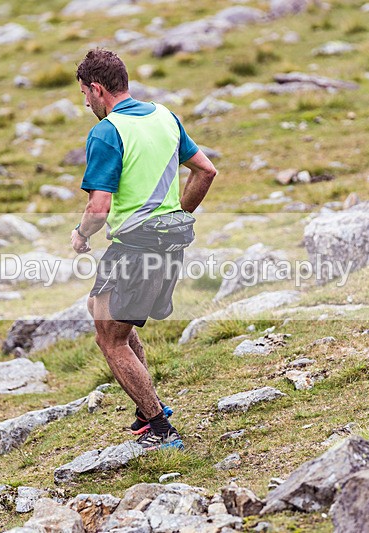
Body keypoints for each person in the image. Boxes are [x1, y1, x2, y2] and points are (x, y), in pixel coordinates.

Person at [70, 49, 217, 451]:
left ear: (97, 89)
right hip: (165, 243)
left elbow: (98, 208)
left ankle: (160, 428)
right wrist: (176, 217)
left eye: (85, 94)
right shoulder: (164, 116)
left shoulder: (107, 131)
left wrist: (81, 235)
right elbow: (206, 170)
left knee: (110, 339)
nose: (86, 103)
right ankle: (145, 409)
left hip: (135, 247)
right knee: (100, 310)